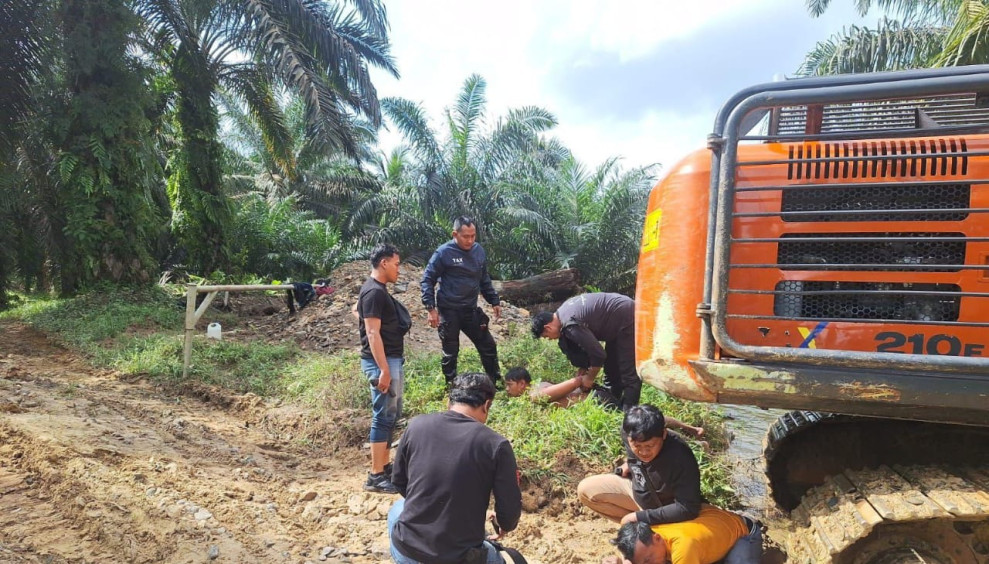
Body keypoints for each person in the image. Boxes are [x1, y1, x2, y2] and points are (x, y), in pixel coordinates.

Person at [388, 373, 522, 564]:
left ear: (449, 401)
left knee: (397, 509)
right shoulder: (496, 444)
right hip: (460, 558)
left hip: (408, 552)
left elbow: (400, 482)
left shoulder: (416, 425)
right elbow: (509, 516)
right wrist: (500, 520)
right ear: (486, 405)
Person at [578, 405, 702, 526]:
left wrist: (640, 517)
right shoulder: (628, 433)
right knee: (586, 489)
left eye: (650, 446)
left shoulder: (680, 456)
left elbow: (688, 508)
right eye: (637, 446)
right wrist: (630, 463)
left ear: (664, 434)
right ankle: (639, 527)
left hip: (667, 508)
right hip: (638, 493)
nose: (643, 452)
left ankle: (647, 526)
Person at [502, 369, 706, 442]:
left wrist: (580, 380)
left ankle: (694, 440)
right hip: (596, 399)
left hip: (597, 402)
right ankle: (692, 430)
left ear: (522, 383)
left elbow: (570, 385)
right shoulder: (540, 387)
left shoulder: (535, 394)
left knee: (640, 423)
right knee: (641, 418)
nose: (507, 390)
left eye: (509, 385)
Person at [421, 217, 502, 386]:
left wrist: (494, 300)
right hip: (449, 310)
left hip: (470, 309)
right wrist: (430, 308)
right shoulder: (443, 253)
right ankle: (451, 387)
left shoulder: (478, 251)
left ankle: (494, 382)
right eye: (466, 236)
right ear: (455, 234)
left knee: (488, 345)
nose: (470, 240)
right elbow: (428, 279)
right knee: (450, 352)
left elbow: (484, 279)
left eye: (473, 236)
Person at [357, 243, 411, 494]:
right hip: (382, 362)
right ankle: (375, 475)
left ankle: (384, 467)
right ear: (384, 263)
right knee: (383, 415)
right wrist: (384, 370)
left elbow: (359, 314)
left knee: (391, 414)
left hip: (390, 359)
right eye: (396, 264)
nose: (399, 269)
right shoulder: (373, 292)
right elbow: (372, 333)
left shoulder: (377, 291)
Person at [531, 293, 641, 411]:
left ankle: (629, 410)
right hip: (617, 317)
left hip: (625, 316)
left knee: (627, 370)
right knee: (611, 367)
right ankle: (614, 403)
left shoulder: (570, 324)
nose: (549, 339)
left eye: (546, 336)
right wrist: (583, 370)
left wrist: (589, 378)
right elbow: (587, 349)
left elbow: (599, 355)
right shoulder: (563, 313)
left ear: (548, 328)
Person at [602, 509, 763, 564]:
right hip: (714, 522)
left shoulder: (683, 549)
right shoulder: (646, 533)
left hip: (743, 532)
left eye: (648, 560)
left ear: (657, 538)